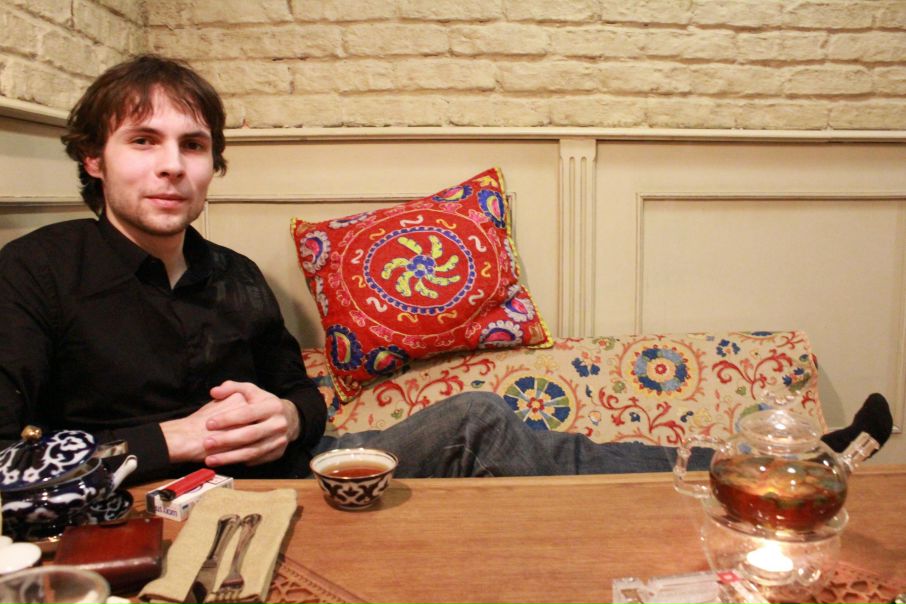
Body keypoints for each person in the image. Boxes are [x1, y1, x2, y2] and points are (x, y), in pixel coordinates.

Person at [0, 55, 893, 484]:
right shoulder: (36, 272)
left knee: (478, 417)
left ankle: (760, 466)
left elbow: (306, 399)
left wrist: (289, 413)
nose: (171, 167)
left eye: (193, 145)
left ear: (213, 164)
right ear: (93, 159)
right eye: (143, 141)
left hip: (298, 487)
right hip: (139, 514)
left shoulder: (232, 273)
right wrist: (180, 439)